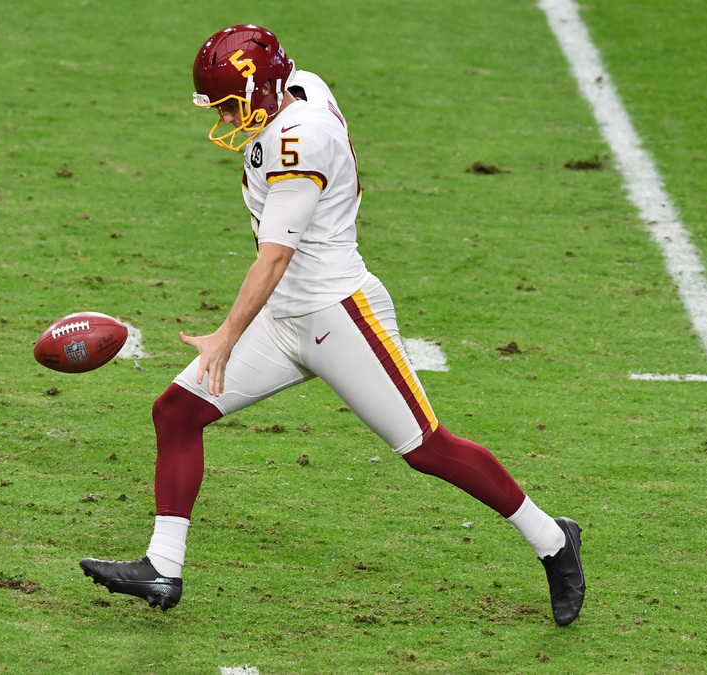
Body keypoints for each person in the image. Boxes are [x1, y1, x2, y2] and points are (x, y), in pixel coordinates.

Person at [80, 24, 586, 626]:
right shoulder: (302, 87)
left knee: (427, 448)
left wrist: (224, 336)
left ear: (263, 90)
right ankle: (163, 564)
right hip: (284, 317)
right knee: (177, 413)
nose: (222, 117)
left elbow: (274, 257)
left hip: (337, 317)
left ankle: (552, 540)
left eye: (228, 102)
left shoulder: (298, 144)